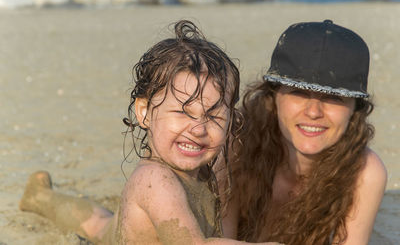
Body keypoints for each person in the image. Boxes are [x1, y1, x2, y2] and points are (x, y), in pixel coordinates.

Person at [19, 20, 281, 245]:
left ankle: (39, 196)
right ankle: (41, 198)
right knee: (99, 231)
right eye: (183, 112)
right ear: (144, 112)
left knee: (101, 225)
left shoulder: (201, 170)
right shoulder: (155, 180)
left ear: (230, 121)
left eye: (213, 115)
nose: (199, 129)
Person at [218, 20, 387, 245]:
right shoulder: (236, 146)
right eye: (298, 93)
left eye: (333, 97)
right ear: (273, 96)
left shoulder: (363, 172)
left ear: (355, 108)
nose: (314, 112)